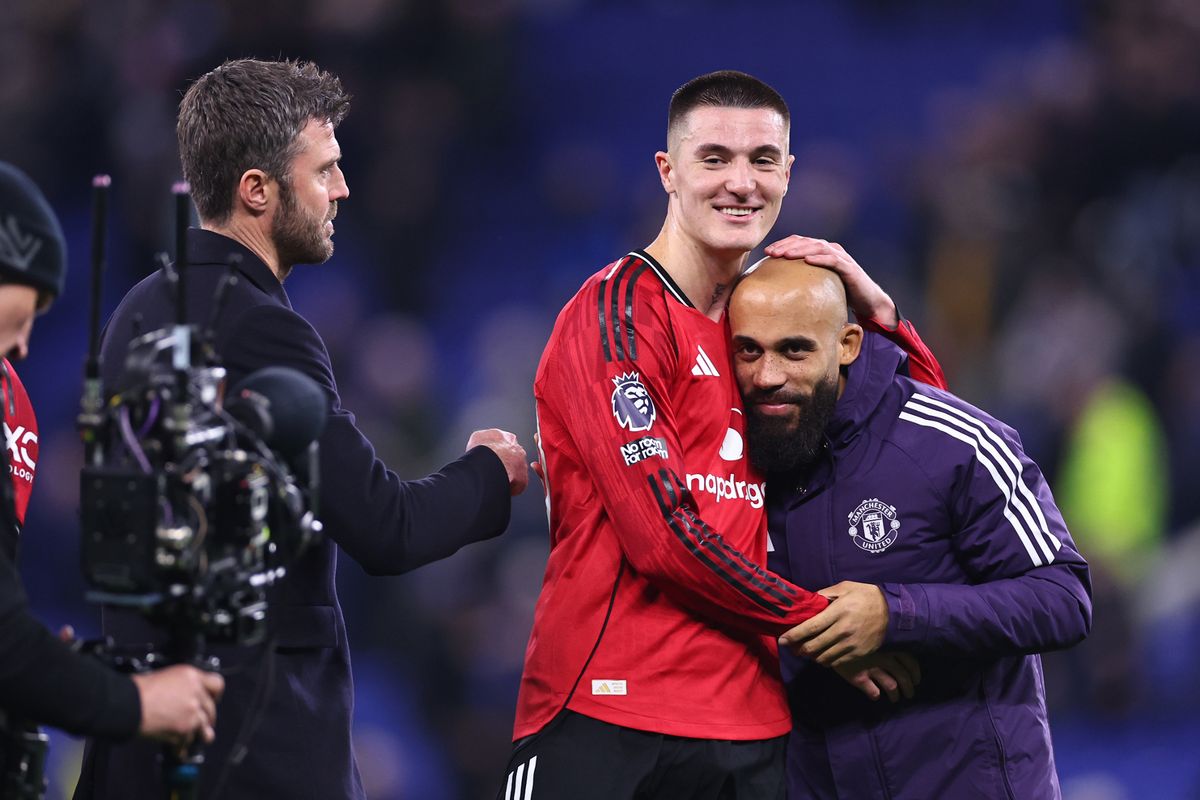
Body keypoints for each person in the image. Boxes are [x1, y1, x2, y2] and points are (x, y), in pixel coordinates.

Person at [75, 59, 528, 800]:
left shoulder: (137, 311)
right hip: (254, 740)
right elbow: (388, 528)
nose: (343, 190)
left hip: (136, 736)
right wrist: (487, 472)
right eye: (325, 172)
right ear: (258, 189)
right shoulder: (261, 328)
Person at [502, 71, 944, 799]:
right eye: (714, 158)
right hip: (606, 715)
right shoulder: (616, 313)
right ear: (668, 171)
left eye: (763, 160)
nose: (741, 182)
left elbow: (927, 458)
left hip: (754, 733)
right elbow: (664, 538)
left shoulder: (768, 330)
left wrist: (888, 319)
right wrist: (822, 625)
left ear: (788, 174)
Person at [729, 258, 1092, 799]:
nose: (767, 375)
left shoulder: (955, 442)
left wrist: (895, 615)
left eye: (795, 349)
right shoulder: (735, 460)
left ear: (848, 343)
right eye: (748, 350)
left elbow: (1063, 598)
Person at [0, 161, 225, 784]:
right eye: (31, 303)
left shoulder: (12, 407)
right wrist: (139, 704)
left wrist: (54, 671)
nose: (24, 343)